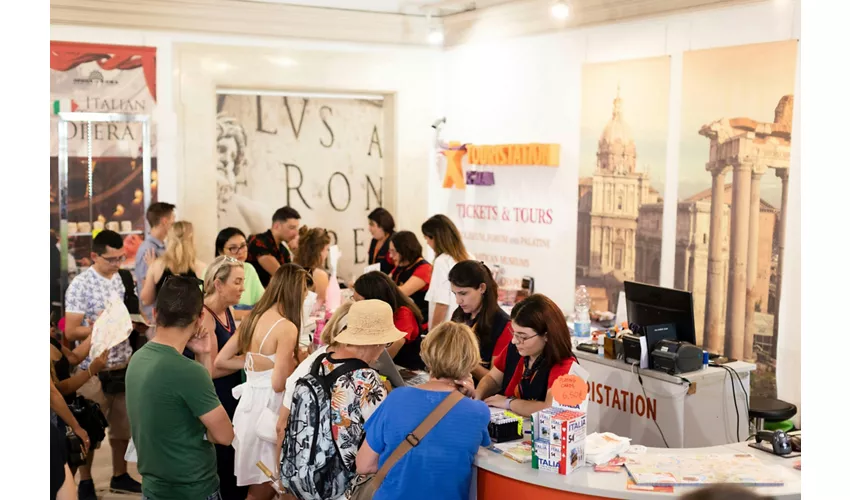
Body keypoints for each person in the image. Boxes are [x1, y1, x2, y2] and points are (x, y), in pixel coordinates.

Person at [126, 274, 236, 500]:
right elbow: (225, 436)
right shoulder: (187, 371)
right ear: (201, 317)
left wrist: (204, 356)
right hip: (193, 488)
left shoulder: (138, 358)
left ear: (155, 314)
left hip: (153, 488)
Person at [355, 322, 490, 500]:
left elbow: (364, 466)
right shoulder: (478, 411)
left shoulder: (397, 399)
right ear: (471, 361)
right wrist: (467, 399)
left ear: (426, 355)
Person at [282, 300, 403, 495]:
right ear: (376, 342)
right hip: (343, 485)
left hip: (309, 475)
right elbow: (382, 437)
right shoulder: (366, 379)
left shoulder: (320, 362)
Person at [215, 264, 307, 499]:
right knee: (264, 485)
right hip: (270, 409)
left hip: (248, 408)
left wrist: (252, 363)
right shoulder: (286, 327)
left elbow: (221, 359)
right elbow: (278, 383)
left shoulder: (252, 318)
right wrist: (296, 365)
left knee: (259, 483)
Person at [63, 229, 141, 498]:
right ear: (94, 256)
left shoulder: (120, 278)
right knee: (89, 429)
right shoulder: (80, 285)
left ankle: (120, 474)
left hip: (122, 364)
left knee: (122, 429)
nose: (117, 264)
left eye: (121, 258)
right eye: (111, 259)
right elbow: (71, 332)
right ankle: (85, 481)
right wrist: (101, 327)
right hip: (91, 370)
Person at [191, 256, 247, 500]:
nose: (243, 288)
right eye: (237, 282)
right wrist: (249, 362)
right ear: (218, 283)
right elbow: (211, 369)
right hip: (216, 395)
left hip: (231, 392)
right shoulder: (206, 316)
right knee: (224, 460)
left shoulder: (228, 311)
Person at [474, 294, 577, 417]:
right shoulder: (516, 348)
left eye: (522, 336)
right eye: (514, 333)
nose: (514, 341)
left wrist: (509, 403)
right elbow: (493, 379)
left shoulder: (565, 365)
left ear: (546, 336)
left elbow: (550, 409)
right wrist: (477, 397)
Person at [449, 260, 513, 381]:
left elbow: (495, 381)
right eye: (455, 294)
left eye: (463, 293)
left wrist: (464, 358)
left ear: (482, 288)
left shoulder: (503, 325)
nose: (458, 301)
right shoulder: (459, 314)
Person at [353, 271, 425, 370]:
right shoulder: (374, 313)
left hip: (404, 368)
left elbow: (388, 354)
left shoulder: (403, 314)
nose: (356, 306)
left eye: (359, 302)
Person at [140, 220, 206, 308]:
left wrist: (150, 270)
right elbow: (206, 302)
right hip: (193, 320)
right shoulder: (202, 268)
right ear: (192, 240)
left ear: (169, 239)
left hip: (164, 320)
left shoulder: (156, 266)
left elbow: (146, 300)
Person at [421, 214, 470, 330]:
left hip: (445, 329)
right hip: (463, 328)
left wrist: (432, 335)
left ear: (436, 238)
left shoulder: (442, 262)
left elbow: (441, 303)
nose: (427, 242)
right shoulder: (469, 257)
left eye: (427, 238)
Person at [134, 202, 176, 321]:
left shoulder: (164, 247)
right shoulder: (148, 250)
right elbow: (145, 290)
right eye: (172, 219)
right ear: (164, 221)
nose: (173, 224)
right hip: (154, 317)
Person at [216, 227, 265, 317]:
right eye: (233, 248)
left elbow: (263, 303)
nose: (240, 252)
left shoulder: (249, 269)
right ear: (221, 251)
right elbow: (215, 312)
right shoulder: (212, 272)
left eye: (243, 246)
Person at [247, 206, 301, 287]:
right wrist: (296, 253)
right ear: (277, 226)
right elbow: (284, 278)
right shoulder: (259, 242)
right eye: (292, 228)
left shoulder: (284, 251)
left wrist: (295, 252)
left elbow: (296, 278)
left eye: (296, 228)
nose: (296, 233)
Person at [388, 231, 432, 329]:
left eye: (393, 251)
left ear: (404, 250)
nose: (391, 256)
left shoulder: (424, 268)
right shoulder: (401, 266)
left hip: (419, 324)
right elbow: (385, 281)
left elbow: (402, 292)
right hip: (403, 319)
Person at [294, 226, 331, 306]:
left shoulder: (292, 269)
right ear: (319, 251)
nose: (327, 253)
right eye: (327, 249)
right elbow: (320, 304)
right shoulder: (319, 275)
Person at [367, 208, 395, 274]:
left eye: (372, 225)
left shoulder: (395, 240)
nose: (369, 228)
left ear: (383, 225)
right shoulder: (374, 241)